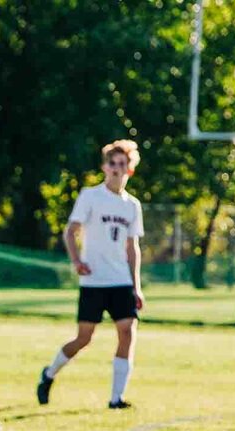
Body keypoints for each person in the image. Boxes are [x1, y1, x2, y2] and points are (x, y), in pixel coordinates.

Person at [37, 140, 145, 409]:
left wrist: (136, 285)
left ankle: (115, 398)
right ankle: (49, 374)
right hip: (95, 279)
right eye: (113, 163)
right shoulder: (91, 196)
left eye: (123, 164)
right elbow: (70, 231)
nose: (117, 168)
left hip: (120, 279)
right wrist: (77, 261)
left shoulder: (132, 206)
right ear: (104, 167)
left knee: (127, 331)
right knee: (84, 338)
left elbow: (133, 248)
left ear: (130, 169)